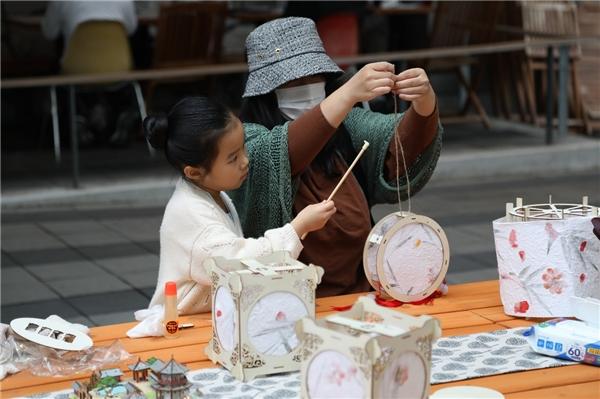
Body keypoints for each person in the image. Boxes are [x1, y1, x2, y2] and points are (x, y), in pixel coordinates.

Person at [230, 17, 442, 297]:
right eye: (294, 81)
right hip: (285, 299)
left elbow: (394, 140)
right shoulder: (246, 141)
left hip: (361, 290)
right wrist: (347, 94)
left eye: (315, 77)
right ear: (266, 92)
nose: (308, 87)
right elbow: (276, 152)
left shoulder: (346, 125)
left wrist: (424, 102)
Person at [145, 97, 336, 314]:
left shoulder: (211, 194)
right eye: (233, 158)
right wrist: (298, 227)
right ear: (194, 172)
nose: (245, 160)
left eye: (243, 148)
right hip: (180, 324)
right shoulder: (192, 214)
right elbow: (241, 263)